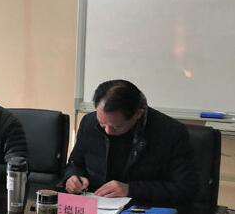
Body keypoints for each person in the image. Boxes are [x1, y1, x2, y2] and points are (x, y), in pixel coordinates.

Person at [64, 79, 198, 203]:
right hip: (96, 207)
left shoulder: (170, 132)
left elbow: (186, 187)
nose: (108, 131)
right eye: (102, 124)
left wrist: (131, 189)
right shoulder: (89, 122)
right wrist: (72, 177)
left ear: (137, 114)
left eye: (116, 126)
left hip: (143, 209)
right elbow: (75, 163)